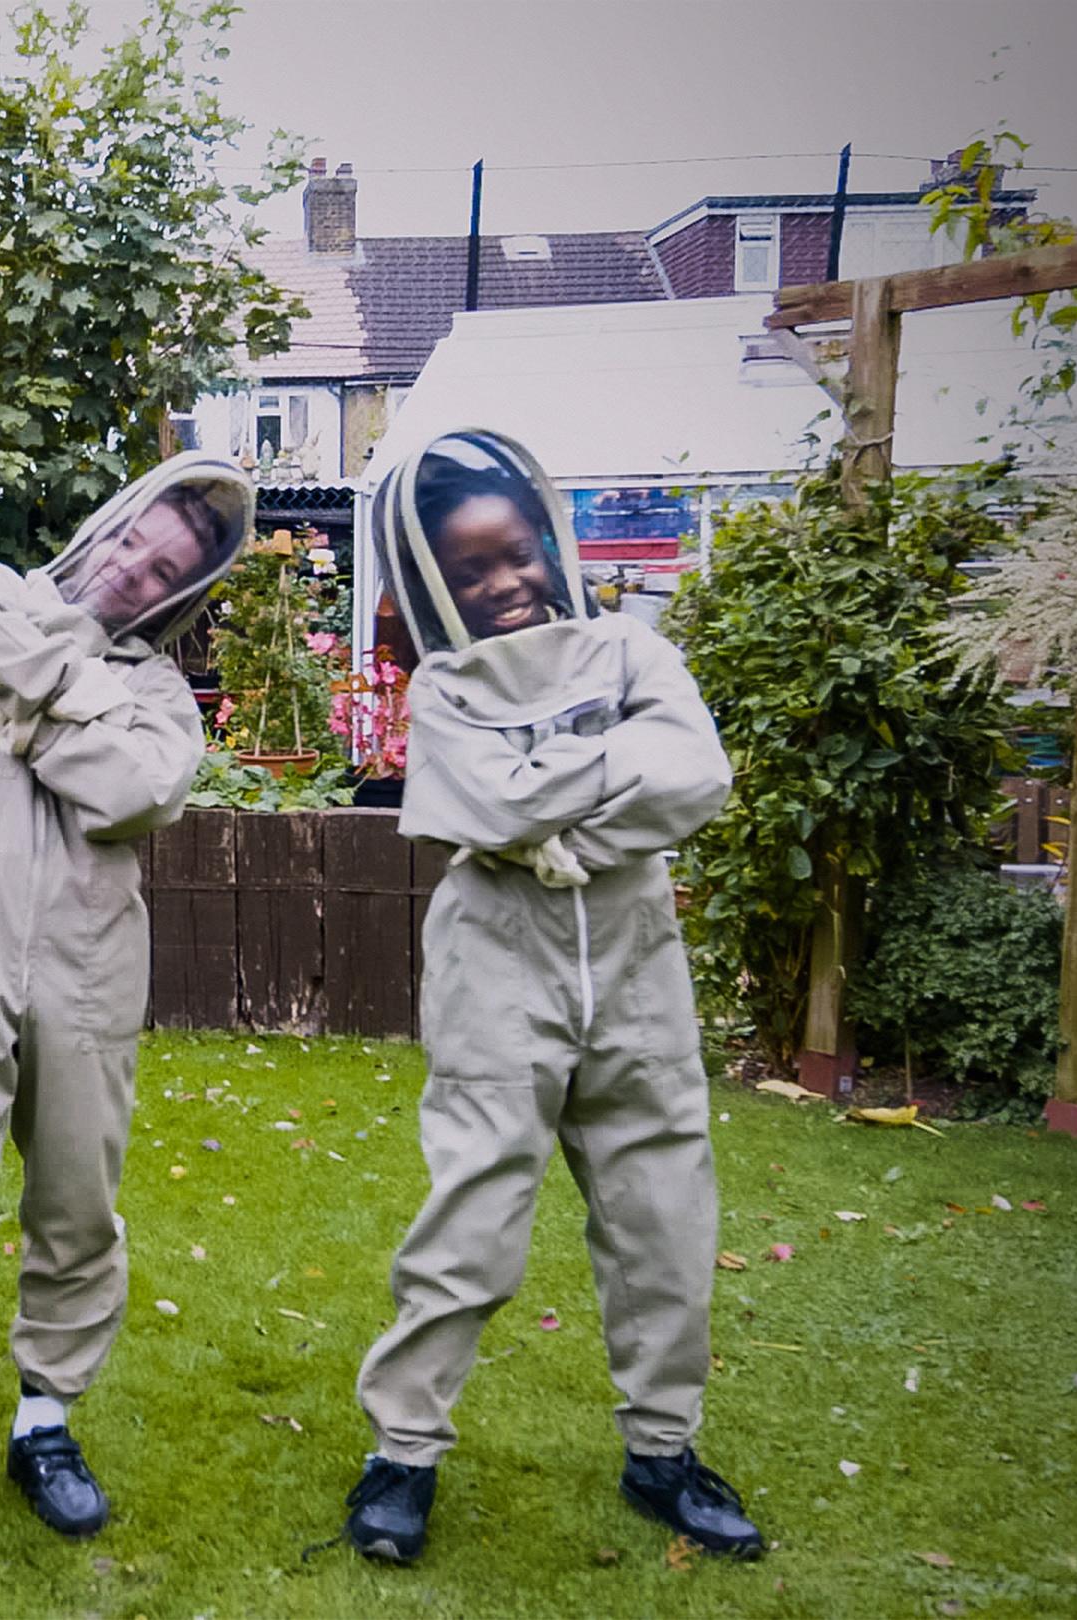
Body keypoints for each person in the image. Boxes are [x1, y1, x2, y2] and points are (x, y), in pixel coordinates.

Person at [340, 430, 760, 1564]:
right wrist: (609, 768)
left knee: (664, 1220)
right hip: (496, 968)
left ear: (551, 543)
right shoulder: (445, 688)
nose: (505, 582)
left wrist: (544, 811)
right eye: (470, 569)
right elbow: (481, 810)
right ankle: (403, 1453)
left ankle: (663, 1451)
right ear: (437, 583)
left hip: (636, 967)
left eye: (515, 553)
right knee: (470, 1221)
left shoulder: (632, 649)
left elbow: (696, 776)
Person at [0, 455, 254, 1541]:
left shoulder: (160, 693)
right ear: (104, 526)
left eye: (163, 572)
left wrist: (30, 704)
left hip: (88, 970)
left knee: (76, 1212)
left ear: (179, 597)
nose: (133, 573)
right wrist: (80, 702)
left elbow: (137, 790)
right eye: (133, 543)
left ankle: (46, 1419)